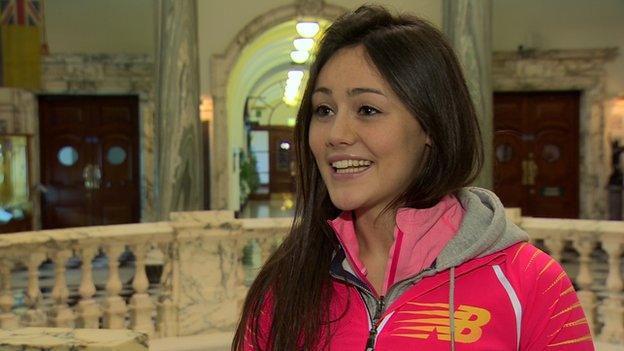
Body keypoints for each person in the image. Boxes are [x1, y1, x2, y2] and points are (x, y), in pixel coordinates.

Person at [233, 5, 593, 351]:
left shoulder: (531, 283)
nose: (335, 134)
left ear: (430, 127)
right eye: (324, 109)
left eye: (368, 110)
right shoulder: (285, 284)